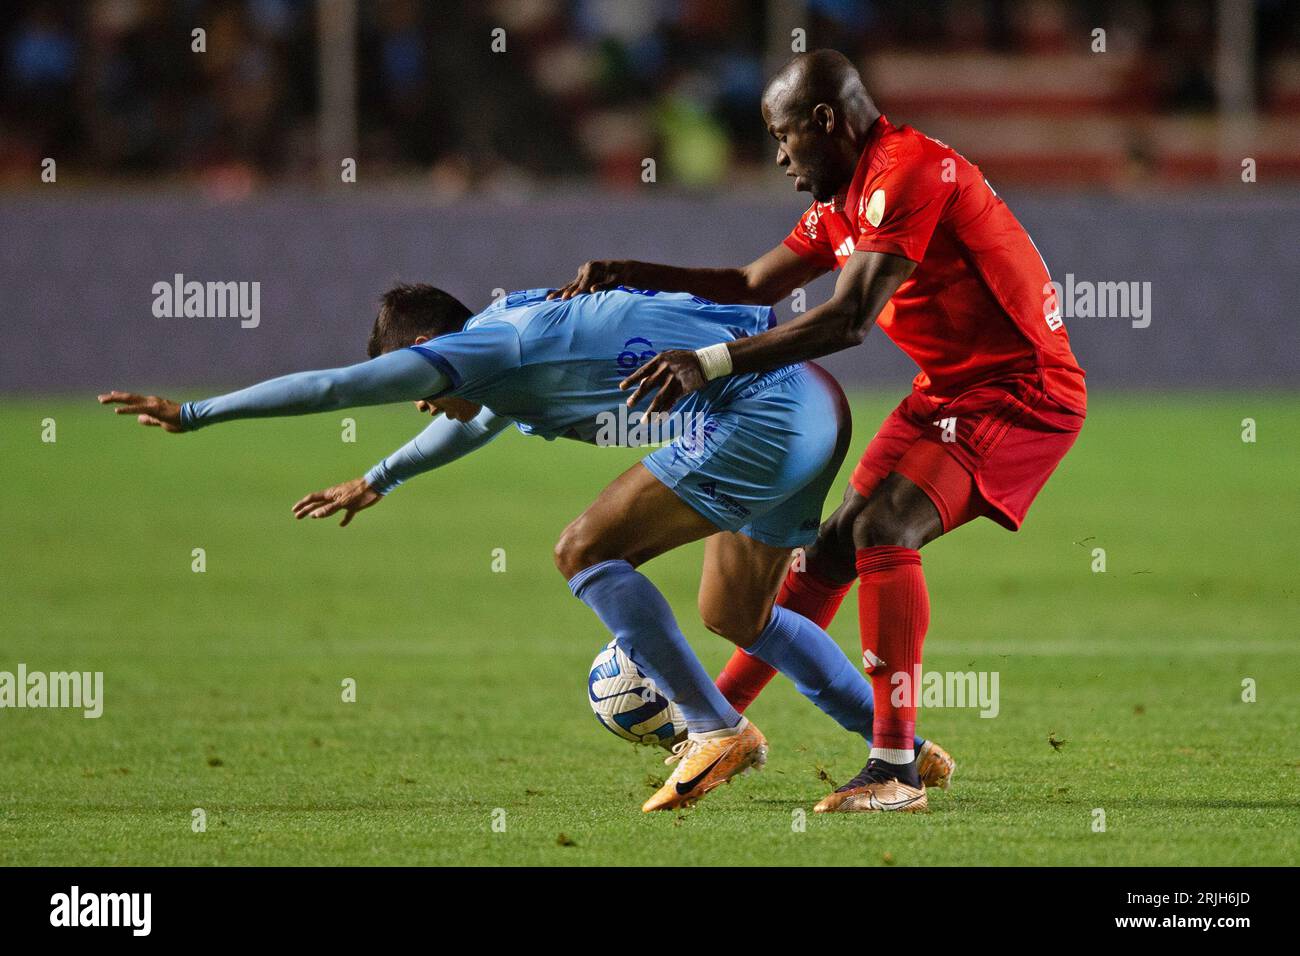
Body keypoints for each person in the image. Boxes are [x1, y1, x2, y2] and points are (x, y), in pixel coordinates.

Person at [98, 282, 952, 812]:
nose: (424, 406)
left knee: (583, 549)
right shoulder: (516, 334)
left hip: (756, 414)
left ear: (432, 355)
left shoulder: (485, 348)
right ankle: (898, 754)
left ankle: (712, 728)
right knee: (738, 610)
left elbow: (334, 385)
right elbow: (474, 423)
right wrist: (380, 478)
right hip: (813, 405)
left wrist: (196, 413)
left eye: (422, 390)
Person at [552, 50, 1086, 813]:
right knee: (829, 550)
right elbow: (750, 284)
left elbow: (848, 320)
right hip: (946, 392)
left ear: (826, 122)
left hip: (1021, 392)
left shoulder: (908, 172)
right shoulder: (846, 196)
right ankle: (722, 725)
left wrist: (710, 362)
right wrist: (633, 271)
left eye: (783, 135)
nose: (780, 157)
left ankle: (895, 771)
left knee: (883, 530)